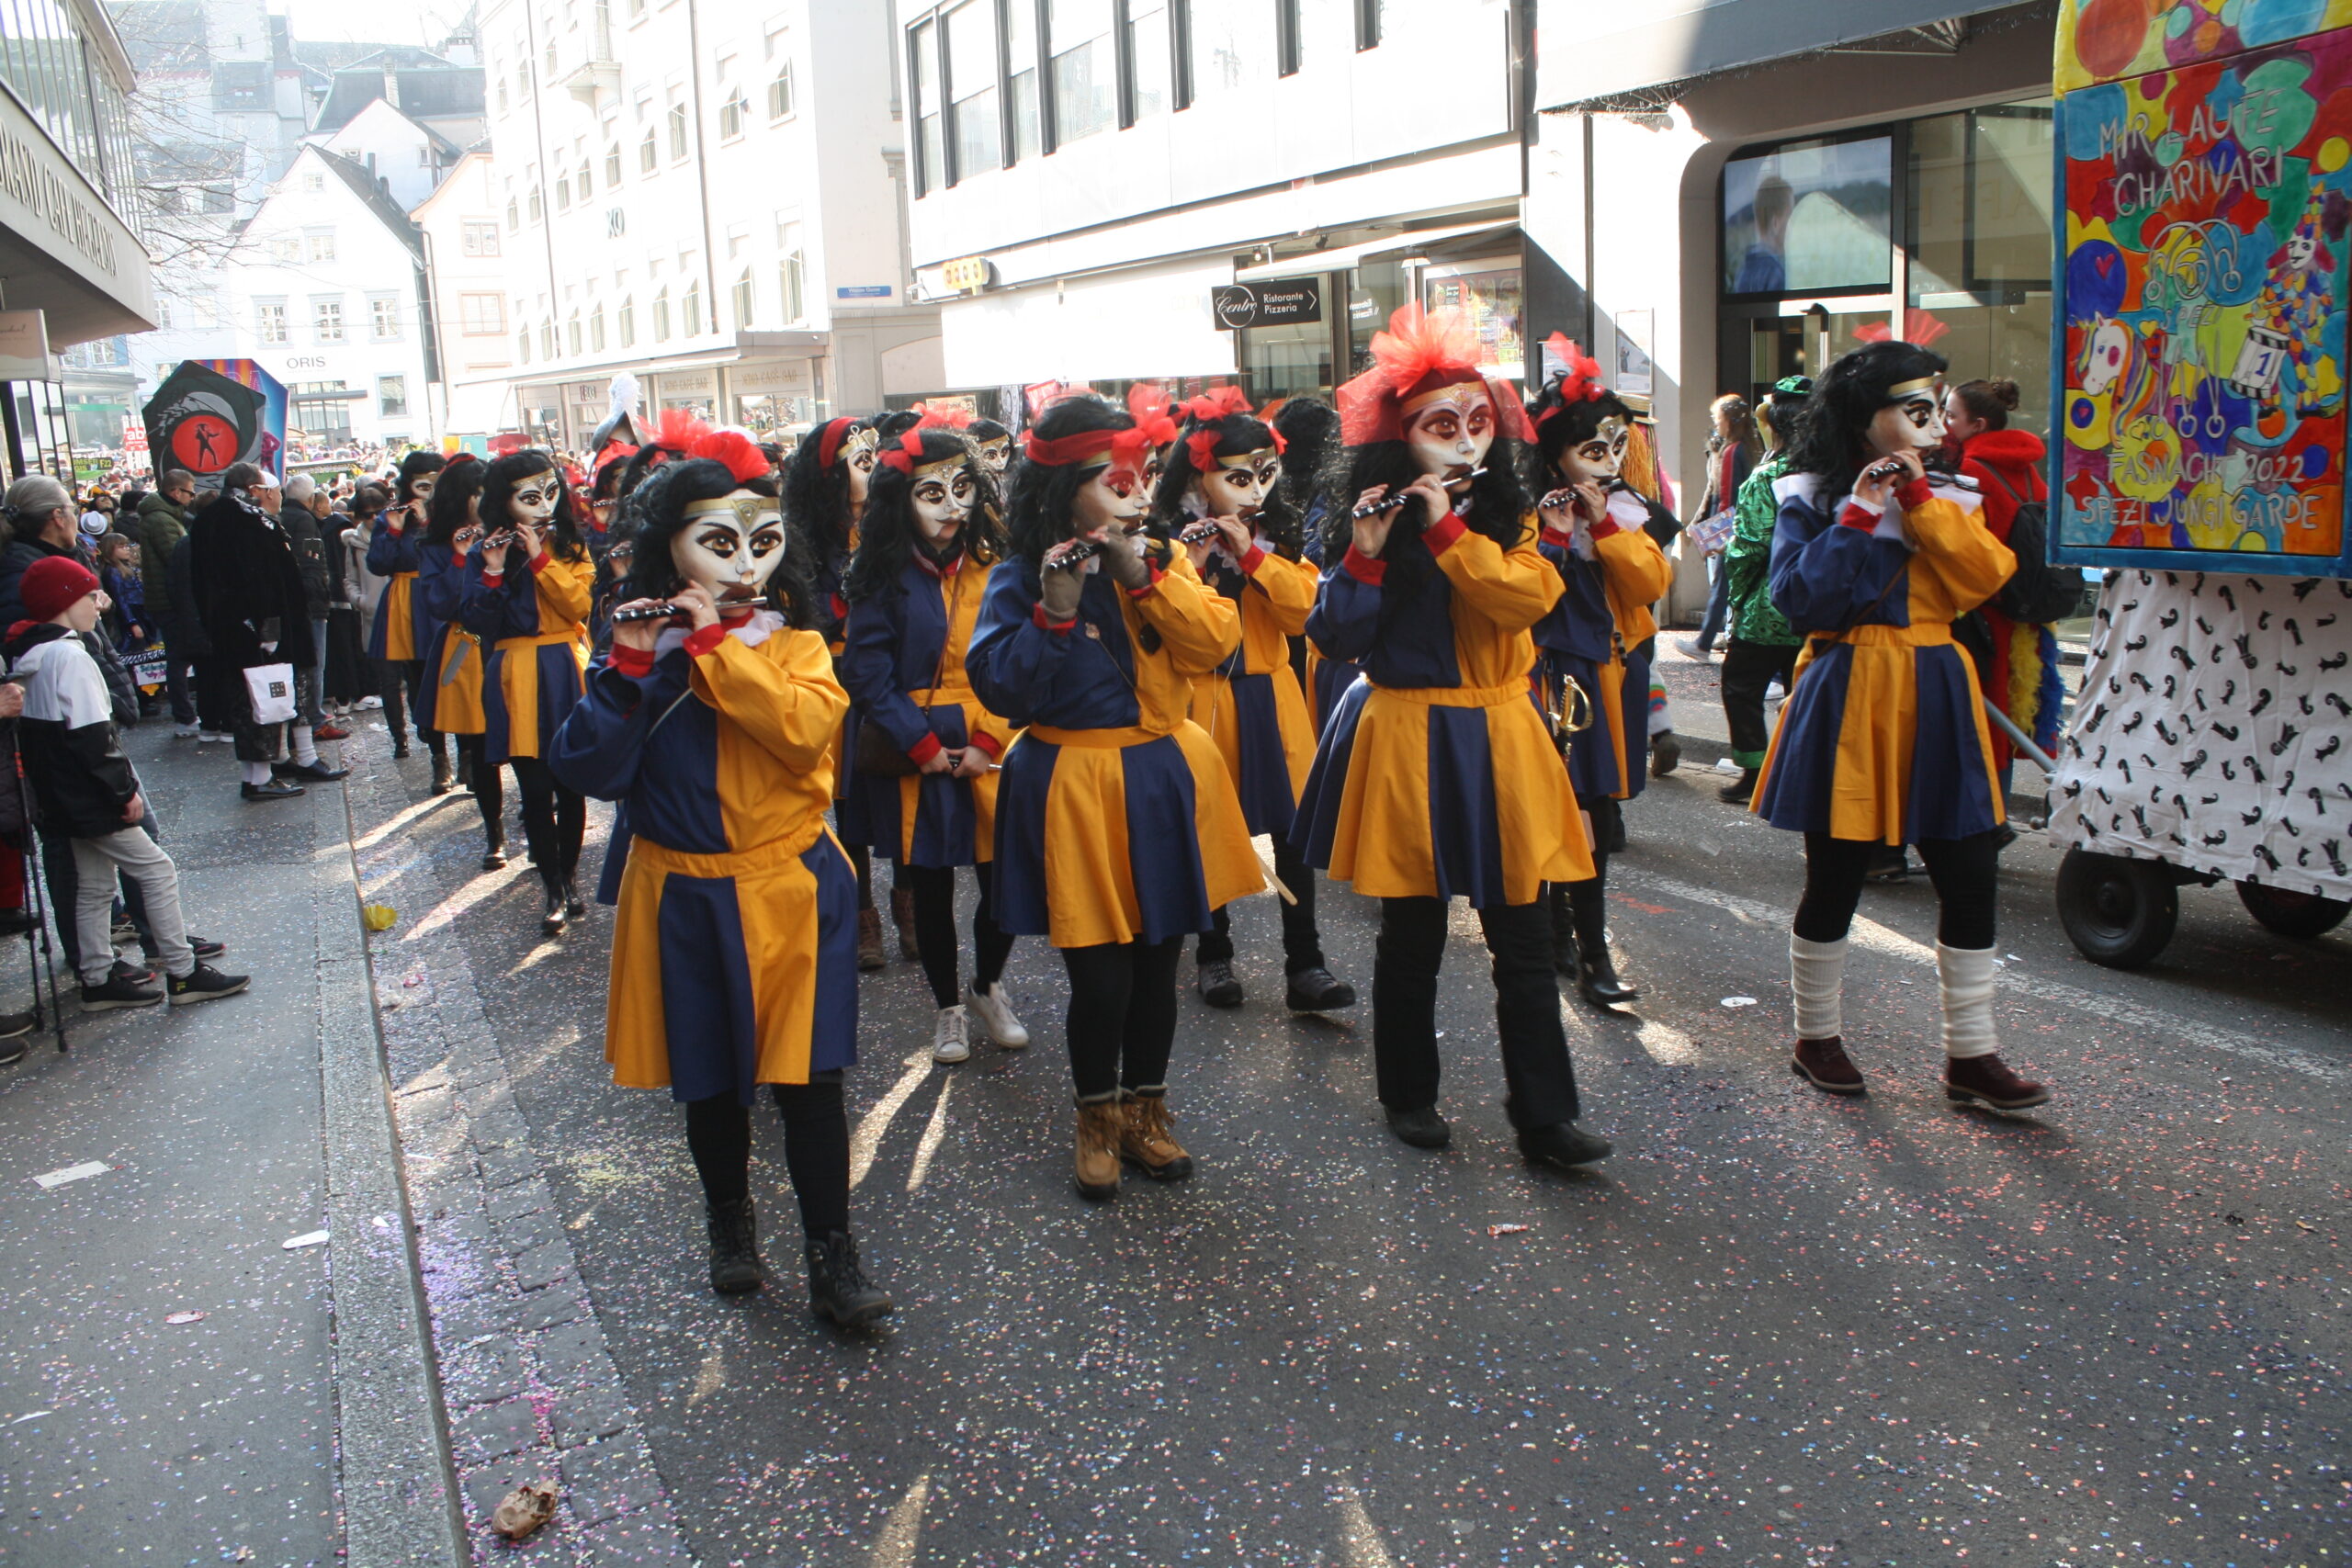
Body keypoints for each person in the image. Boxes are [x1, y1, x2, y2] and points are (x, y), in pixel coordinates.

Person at [547, 434, 890, 1325]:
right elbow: (586, 769)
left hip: (791, 884)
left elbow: (803, 734)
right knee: (710, 1080)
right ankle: (729, 1219)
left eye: (761, 543)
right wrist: (630, 671)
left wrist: (713, 650)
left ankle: (832, 1254)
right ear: (672, 548)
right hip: (684, 893)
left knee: (811, 1081)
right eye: (718, 544)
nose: (743, 567)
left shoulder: (797, 644)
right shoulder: (634, 652)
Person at [1291, 304, 1611, 1172]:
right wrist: (1364, 554)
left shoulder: (1509, 515)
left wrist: (1448, 529)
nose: (1467, 442)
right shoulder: (1369, 516)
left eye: (1477, 423)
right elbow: (1334, 637)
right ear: (1402, 438)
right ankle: (1407, 1092)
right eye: (1442, 427)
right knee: (1413, 932)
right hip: (1408, 733)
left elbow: (1522, 601)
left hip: (1502, 730)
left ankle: (1545, 1116)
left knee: (1525, 938)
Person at [967, 394, 1262, 1201]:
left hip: (1161, 774)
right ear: (1066, 492)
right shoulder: (1017, 576)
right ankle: (1095, 1120)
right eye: (1117, 482)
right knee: (1102, 980)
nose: (1139, 497)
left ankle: (1145, 1115)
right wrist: (1052, 616)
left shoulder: (1162, 558)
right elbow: (1003, 691)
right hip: (1073, 784)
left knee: (1159, 965)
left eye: (1144, 478)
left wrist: (1146, 579)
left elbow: (1215, 644)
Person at [1753, 339, 2049, 1111]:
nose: (1936, 427)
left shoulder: (1952, 494)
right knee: (1837, 874)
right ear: (1865, 416)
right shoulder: (1809, 495)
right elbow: (1799, 600)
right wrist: (1858, 514)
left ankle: (1972, 1055)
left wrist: (1919, 503)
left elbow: (1987, 580)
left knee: (1971, 870)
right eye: (1916, 411)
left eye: (1937, 410)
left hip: (1938, 683)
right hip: (1849, 684)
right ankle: (1815, 1036)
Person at [1149, 387, 1354, 1013]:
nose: (1257, 491)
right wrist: (1188, 566)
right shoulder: (1165, 538)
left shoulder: (1279, 531)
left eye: (1267, 475)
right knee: (1206, 825)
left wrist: (1255, 555)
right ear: (1199, 476)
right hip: (1201, 695)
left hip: (1272, 690)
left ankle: (1306, 964)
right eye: (1239, 478)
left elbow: (1306, 613)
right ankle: (1214, 954)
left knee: (1292, 835)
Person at [840, 419, 1028, 1065]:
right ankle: (948, 1006)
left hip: (990, 740)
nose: (952, 507)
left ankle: (987, 986)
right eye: (933, 493)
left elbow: (1020, 655)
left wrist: (988, 739)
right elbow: (867, 671)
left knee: (1005, 883)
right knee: (931, 890)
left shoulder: (998, 564)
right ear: (902, 499)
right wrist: (921, 746)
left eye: (963, 488)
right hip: (916, 745)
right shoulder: (880, 574)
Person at [6, 555, 247, 1009]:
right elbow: (93, 736)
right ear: (63, 602)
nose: (98, 604)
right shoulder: (70, 657)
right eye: (88, 594)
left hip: (62, 794)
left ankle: (97, 978)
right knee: (156, 870)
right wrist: (124, 791)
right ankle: (183, 972)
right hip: (90, 793)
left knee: (95, 885)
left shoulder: (30, 656)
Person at [1525, 342, 1677, 1008]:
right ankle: (1554, 931)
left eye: (1617, 447)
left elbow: (1649, 585)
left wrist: (1607, 527)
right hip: (1538, 674)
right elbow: (1522, 596)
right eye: (1594, 449)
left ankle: (1591, 952)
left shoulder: (1623, 509)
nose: (1611, 463)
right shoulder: (1522, 511)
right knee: (1546, 806)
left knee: (1595, 808)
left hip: (1602, 672)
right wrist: (1557, 535)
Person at [460, 451, 593, 931]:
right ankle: (551, 887)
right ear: (506, 501)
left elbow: (579, 604)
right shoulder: (484, 551)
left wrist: (540, 558)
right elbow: (476, 622)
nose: (544, 506)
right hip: (514, 670)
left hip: (565, 665)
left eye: (551, 493)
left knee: (570, 784)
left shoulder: (571, 544)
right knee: (535, 789)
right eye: (530, 498)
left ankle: (570, 877)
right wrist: (494, 570)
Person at [783, 415, 898, 968]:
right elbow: (804, 612)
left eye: (876, 458)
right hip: (836, 672)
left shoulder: (893, 523)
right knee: (849, 801)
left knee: (899, 791)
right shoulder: (805, 539)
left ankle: (910, 906)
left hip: (892, 670)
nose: (872, 469)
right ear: (831, 472)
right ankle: (862, 915)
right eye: (861, 460)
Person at [188, 464, 347, 800]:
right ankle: (264, 775)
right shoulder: (250, 522)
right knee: (268, 698)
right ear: (255, 490)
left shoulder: (207, 520)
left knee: (248, 701)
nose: (276, 497)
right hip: (266, 627)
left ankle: (266, 769)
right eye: (271, 490)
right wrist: (269, 628)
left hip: (228, 627)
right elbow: (261, 580)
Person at [1945, 377, 2059, 812]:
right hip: (2022, 614)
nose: (1942, 423)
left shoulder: (1971, 471)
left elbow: (1964, 547)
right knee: (2007, 717)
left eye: (1950, 415)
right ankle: (1995, 813)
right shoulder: (2027, 467)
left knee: (1979, 722)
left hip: (1983, 614)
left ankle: (1983, 821)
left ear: (1976, 425)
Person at [1716, 376, 1813, 806]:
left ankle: (1756, 770)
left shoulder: (1768, 476)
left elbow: (1750, 546)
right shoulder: (1840, 473)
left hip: (1768, 607)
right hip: (1821, 606)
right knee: (1807, 694)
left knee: (1741, 687)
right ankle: (1802, 773)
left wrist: (1736, 595)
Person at [416, 458, 508, 869]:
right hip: (468, 648)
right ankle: (494, 832)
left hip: (512, 643)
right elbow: (440, 603)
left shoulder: (508, 533)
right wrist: (459, 559)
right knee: (483, 748)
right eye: (477, 493)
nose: (485, 500)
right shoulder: (435, 546)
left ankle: (538, 813)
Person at [367, 452, 451, 782]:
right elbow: (378, 564)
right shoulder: (391, 516)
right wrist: (394, 531)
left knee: (456, 675)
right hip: (409, 600)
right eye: (423, 485)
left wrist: (430, 524)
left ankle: (469, 753)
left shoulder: (451, 514)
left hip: (445, 593)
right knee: (419, 681)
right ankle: (439, 755)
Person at [1678, 393, 1758, 661]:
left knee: (1720, 584)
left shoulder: (1731, 451)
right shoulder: (1747, 448)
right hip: (1741, 521)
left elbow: (1725, 495)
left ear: (1728, 421)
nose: (1715, 423)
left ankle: (1703, 644)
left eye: (1717, 418)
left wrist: (1715, 534)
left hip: (1728, 522)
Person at [137, 470, 200, 737]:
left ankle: (185, 715)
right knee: (179, 658)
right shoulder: (161, 520)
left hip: (166, 598)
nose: (192, 497)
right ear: (176, 492)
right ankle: (184, 717)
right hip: (169, 599)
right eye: (190, 492)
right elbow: (177, 559)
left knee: (179, 657)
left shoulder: (163, 516)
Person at [279, 475, 337, 741]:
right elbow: (312, 560)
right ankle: (314, 718)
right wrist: (320, 593)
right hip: (310, 603)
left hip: (292, 601)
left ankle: (307, 715)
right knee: (315, 662)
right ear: (311, 498)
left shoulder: (281, 516)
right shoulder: (305, 520)